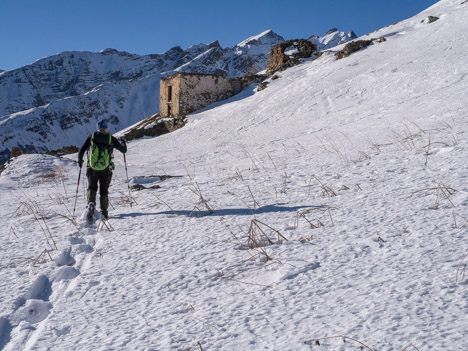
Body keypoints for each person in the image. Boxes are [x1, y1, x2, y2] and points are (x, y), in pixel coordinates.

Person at [78, 119, 127, 220]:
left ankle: (91, 204)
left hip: (92, 169)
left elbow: (82, 149)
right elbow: (123, 150)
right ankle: (104, 213)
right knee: (104, 191)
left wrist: (80, 161)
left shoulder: (92, 137)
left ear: (97, 128)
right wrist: (123, 142)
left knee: (92, 188)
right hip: (106, 170)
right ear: (106, 128)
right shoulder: (111, 138)